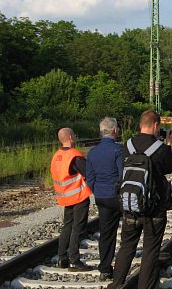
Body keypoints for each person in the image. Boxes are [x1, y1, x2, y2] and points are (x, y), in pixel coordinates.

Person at [106, 110, 172, 289]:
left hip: (130, 204)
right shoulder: (160, 148)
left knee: (127, 245)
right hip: (154, 209)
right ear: (155, 126)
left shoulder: (127, 146)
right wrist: (168, 144)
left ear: (140, 125)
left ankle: (115, 285)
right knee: (150, 251)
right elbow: (169, 168)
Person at [50, 127, 93, 272]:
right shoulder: (75, 155)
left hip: (65, 197)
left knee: (67, 226)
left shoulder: (57, 155)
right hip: (78, 197)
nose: (75, 136)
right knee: (77, 228)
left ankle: (62, 257)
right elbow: (88, 172)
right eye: (74, 134)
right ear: (70, 137)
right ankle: (74, 259)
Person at [86, 117, 123, 280]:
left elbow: (90, 177)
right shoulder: (118, 150)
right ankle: (123, 264)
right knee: (130, 230)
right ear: (115, 131)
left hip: (101, 196)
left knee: (106, 232)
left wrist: (97, 190)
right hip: (117, 196)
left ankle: (105, 268)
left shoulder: (92, 152)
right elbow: (123, 174)